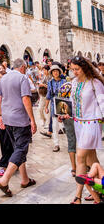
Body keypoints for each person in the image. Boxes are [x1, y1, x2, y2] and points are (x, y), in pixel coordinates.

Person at [0, 58, 37, 197]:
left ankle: (25, 179)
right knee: (21, 148)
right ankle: (4, 179)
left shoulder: (3, 78)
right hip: (20, 119)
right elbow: (26, 99)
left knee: (17, 149)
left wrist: (1, 115)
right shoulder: (22, 78)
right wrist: (32, 119)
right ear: (23, 67)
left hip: (7, 118)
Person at [69, 56, 104, 205]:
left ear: (84, 67)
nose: (74, 72)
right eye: (72, 69)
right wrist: (66, 113)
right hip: (78, 123)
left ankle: (78, 196)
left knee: (80, 158)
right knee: (92, 159)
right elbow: (72, 103)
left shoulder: (95, 83)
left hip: (92, 123)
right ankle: (100, 190)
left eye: (77, 69)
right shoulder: (74, 83)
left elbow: (102, 103)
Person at [41, 65, 66, 151]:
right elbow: (48, 95)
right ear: (51, 73)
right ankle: (56, 144)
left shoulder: (64, 81)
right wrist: (46, 107)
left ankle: (71, 143)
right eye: (53, 71)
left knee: (65, 125)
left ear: (59, 72)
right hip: (54, 105)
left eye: (57, 71)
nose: (55, 72)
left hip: (63, 104)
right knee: (54, 125)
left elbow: (68, 94)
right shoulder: (50, 82)